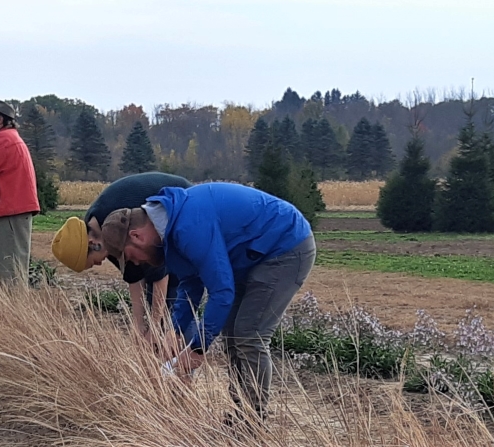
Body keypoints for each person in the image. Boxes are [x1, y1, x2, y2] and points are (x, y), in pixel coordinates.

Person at [101, 183, 315, 421]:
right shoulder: (170, 230)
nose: (138, 263)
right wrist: (175, 330)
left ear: (137, 236)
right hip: (253, 256)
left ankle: (253, 419)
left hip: (285, 247)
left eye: (131, 256)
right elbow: (191, 282)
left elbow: (222, 292)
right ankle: (241, 412)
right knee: (232, 333)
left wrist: (197, 348)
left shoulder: (188, 225)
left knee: (248, 333)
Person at [50, 172, 191, 343]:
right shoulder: (98, 231)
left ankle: (184, 356)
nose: (100, 263)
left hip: (186, 213)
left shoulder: (115, 222)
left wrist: (154, 325)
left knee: (176, 301)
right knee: (154, 310)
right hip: (163, 235)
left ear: (92, 244)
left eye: (93, 262)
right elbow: (134, 274)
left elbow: (159, 274)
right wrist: (138, 326)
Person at [0, 99, 39, 284]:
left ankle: (15, 313)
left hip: (10, 215)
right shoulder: (12, 138)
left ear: (0, 120)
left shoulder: (3, 140)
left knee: (11, 276)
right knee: (14, 271)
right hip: (13, 214)